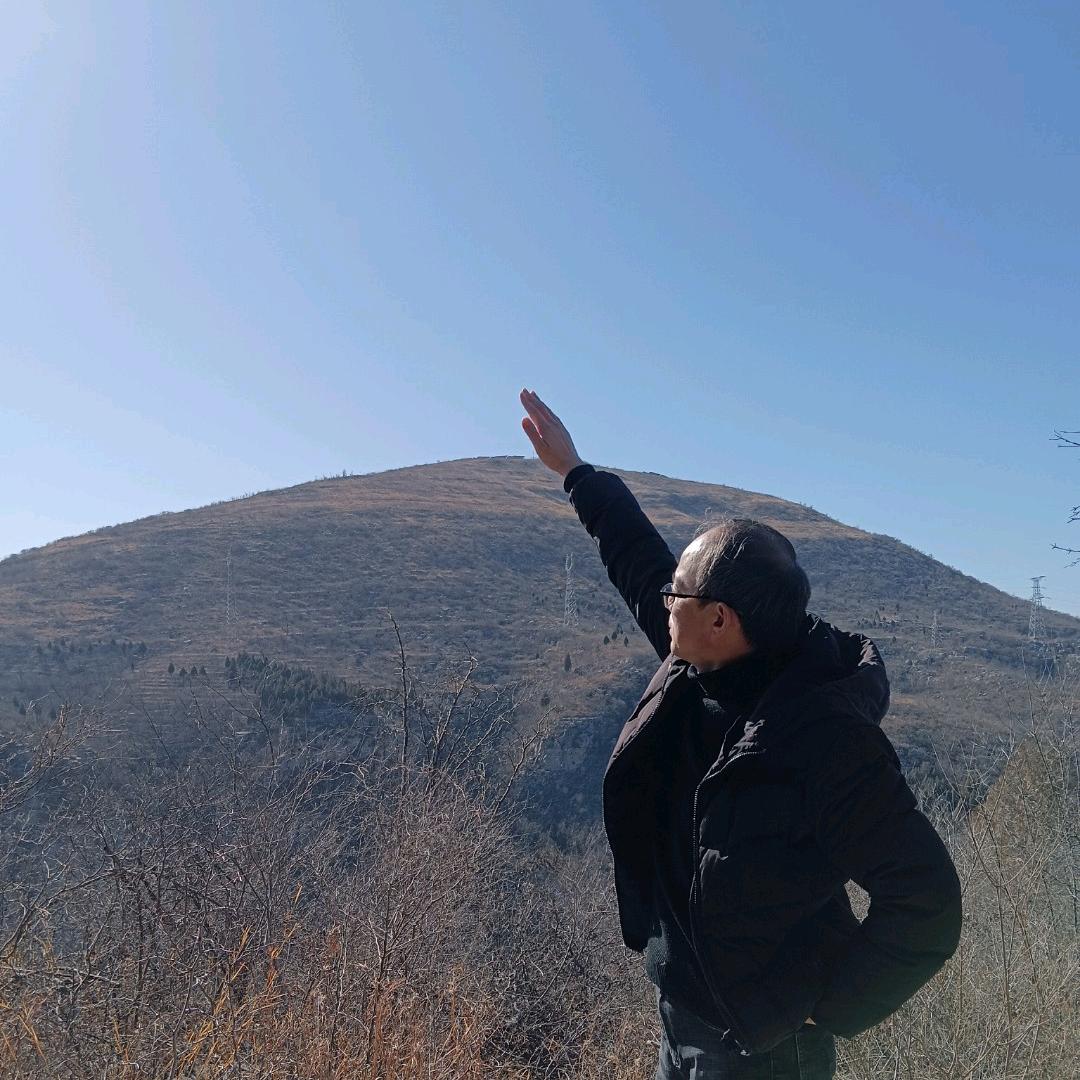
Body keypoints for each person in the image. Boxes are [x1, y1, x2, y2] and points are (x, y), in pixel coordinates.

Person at [519, 389, 963, 1079]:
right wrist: (575, 472)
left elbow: (928, 901)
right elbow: (638, 562)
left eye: (680, 596)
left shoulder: (826, 742)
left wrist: (829, 1011)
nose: (665, 601)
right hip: (684, 1023)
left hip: (765, 1053)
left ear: (720, 618)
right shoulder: (695, 665)